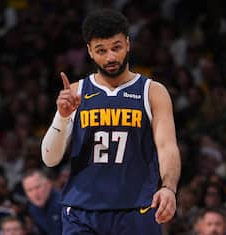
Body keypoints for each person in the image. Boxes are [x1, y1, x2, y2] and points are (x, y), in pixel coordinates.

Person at [41, 8, 181, 235]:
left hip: (136, 208)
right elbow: (49, 158)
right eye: (101, 50)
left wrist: (168, 188)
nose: (110, 57)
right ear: (90, 51)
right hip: (81, 210)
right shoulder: (76, 91)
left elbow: (167, 147)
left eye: (116, 47)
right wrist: (62, 116)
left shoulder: (152, 92)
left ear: (127, 43)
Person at [21, 169, 62, 235]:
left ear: (48, 184)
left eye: (37, 187)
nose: (35, 194)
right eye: (29, 190)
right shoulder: (33, 209)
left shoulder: (64, 203)